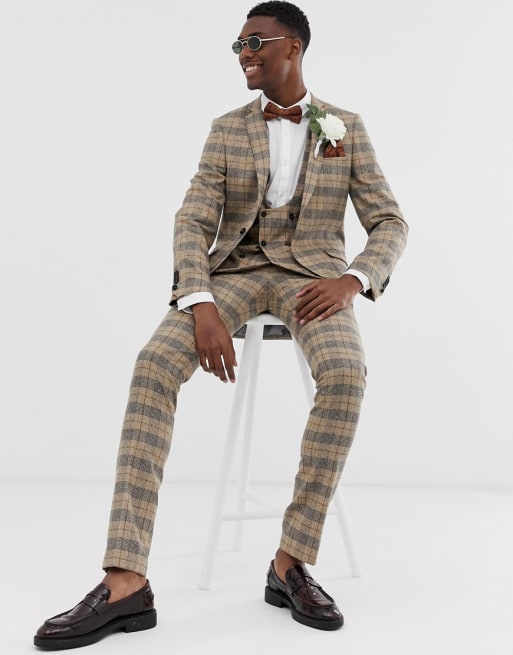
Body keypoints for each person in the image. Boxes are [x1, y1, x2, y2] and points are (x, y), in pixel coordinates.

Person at [34, 0, 408, 648]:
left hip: (312, 280)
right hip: (231, 274)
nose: (244, 55)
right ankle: (125, 581)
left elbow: (389, 221)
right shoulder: (226, 129)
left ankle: (290, 561)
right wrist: (198, 299)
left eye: (255, 42)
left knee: (346, 375)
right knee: (153, 364)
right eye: (238, 45)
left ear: (292, 47)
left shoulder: (344, 127)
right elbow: (193, 217)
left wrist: (352, 279)